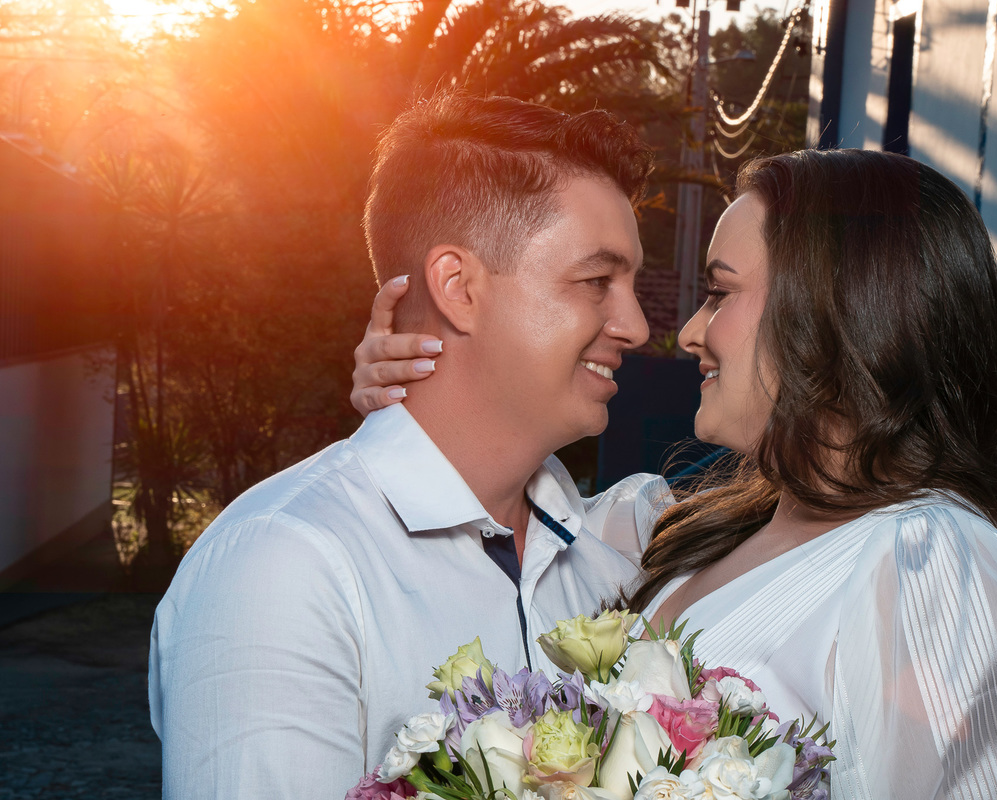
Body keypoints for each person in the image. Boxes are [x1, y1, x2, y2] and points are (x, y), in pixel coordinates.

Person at [351, 149, 997, 798]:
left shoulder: (932, 563)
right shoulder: (679, 532)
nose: (687, 332)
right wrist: (422, 395)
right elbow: (497, 504)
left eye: (719, 293)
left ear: (837, 308)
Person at [148, 93, 671, 799]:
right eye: (596, 281)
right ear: (458, 288)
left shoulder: (605, 569)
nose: (636, 326)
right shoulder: (287, 567)